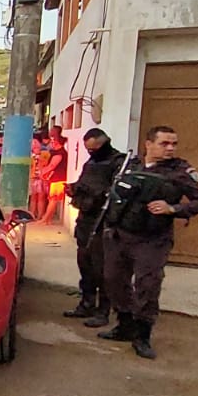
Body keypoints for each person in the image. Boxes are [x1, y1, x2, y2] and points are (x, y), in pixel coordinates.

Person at [100, 125, 198, 359]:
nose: (170, 148)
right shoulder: (130, 165)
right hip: (121, 235)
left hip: (152, 240)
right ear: (148, 144)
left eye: (173, 144)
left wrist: (173, 208)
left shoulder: (180, 171)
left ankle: (142, 336)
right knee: (113, 280)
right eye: (164, 143)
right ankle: (124, 325)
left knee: (147, 286)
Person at [65, 129, 126, 328]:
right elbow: (85, 183)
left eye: (95, 148)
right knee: (85, 265)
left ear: (105, 143)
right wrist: (74, 188)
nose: (91, 152)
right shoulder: (91, 163)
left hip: (103, 222)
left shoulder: (120, 163)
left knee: (102, 269)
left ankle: (103, 311)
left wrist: (95, 193)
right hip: (85, 221)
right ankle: (87, 303)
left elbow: (117, 194)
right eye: (88, 149)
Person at [39, 135, 70, 225]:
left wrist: (42, 172)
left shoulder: (60, 153)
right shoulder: (59, 152)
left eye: (52, 142)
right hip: (56, 179)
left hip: (58, 179)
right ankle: (47, 220)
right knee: (52, 200)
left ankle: (45, 220)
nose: (51, 143)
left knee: (53, 200)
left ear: (56, 142)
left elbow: (52, 166)